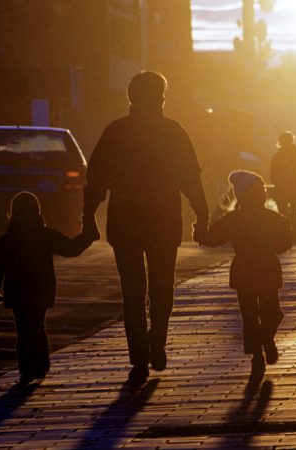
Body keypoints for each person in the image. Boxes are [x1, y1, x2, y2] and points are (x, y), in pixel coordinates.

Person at [83, 71, 209, 383]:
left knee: (133, 292)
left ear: (131, 98)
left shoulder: (116, 132)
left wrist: (88, 215)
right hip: (163, 220)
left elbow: (96, 177)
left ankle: (138, 358)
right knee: (162, 285)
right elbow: (190, 175)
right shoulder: (173, 131)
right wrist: (201, 212)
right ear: (160, 98)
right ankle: (158, 341)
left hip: (125, 221)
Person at [0, 191, 96, 385]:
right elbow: (70, 249)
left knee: (24, 328)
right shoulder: (46, 236)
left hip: (18, 292)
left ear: (12, 213)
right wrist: (87, 237)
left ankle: (28, 368)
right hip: (41, 290)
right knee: (36, 324)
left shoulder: (6, 241)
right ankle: (39, 365)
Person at [195, 170, 292, 373]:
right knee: (272, 312)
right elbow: (285, 243)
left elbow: (212, 238)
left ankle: (257, 350)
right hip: (267, 268)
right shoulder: (272, 218)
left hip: (244, 270)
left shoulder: (234, 219)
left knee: (249, 315)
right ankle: (265, 341)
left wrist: (199, 230)